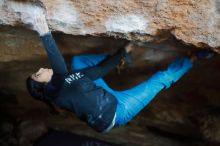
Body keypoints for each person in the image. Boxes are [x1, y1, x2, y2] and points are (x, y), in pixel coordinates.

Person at [26, 14, 209, 133]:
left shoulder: (66, 80)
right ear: (41, 85)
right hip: (118, 112)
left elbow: (99, 70)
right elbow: (56, 60)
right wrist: (44, 32)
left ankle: (124, 59)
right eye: (37, 74)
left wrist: (122, 53)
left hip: (102, 95)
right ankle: (193, 58)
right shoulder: (54, 92)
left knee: (78, 63)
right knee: (159, 80)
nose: (41, 69)